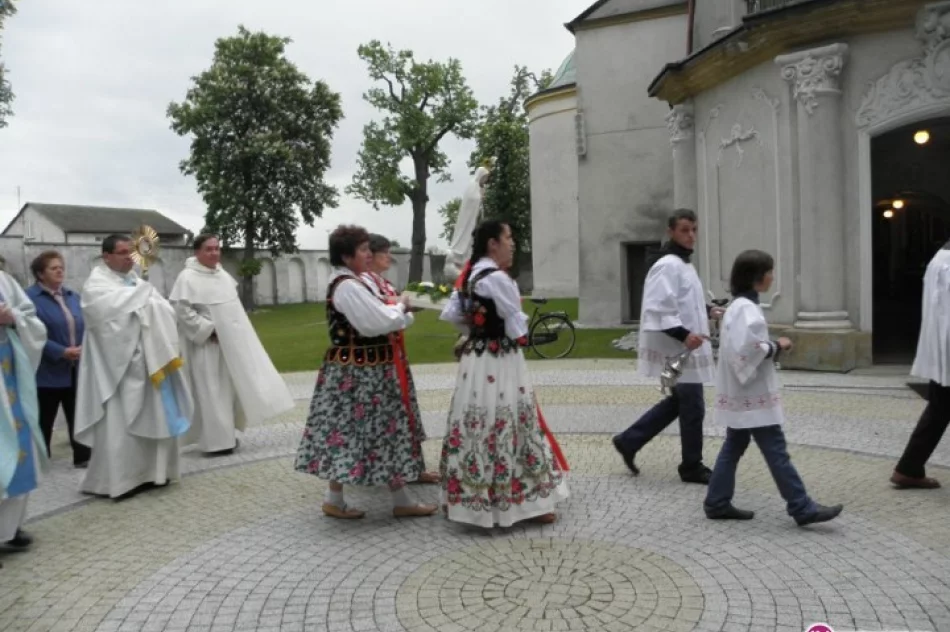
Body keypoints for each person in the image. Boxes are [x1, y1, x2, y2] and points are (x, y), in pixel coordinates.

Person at [295, 225, 436, 520]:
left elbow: (382, 310)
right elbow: (375, 322)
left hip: (366, 370)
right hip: (358, 373)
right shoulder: (347, 285)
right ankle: (348, 499)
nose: (368, 254)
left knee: (377, 431)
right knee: (353, 432)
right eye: (362, 250)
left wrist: (399, 308)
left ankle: (393, 498)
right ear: (347, 256)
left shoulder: (358, 281)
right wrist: (406, 311)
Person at [439, 219, 569, 528]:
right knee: (511, 420)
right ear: (492, 243)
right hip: (501, 359)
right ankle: (525, 502)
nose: (512, 243)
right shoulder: (497, 278)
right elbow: (517, 326)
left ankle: (472, 498)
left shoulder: (470, 275)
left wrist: (475, 330)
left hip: (476, 361)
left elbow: (453, 315)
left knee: (477, 420)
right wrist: (515, 331)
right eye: (508, 237)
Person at [704, 249, 843, 526]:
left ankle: (716, 501)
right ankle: (801, 507)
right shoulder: (747, 309)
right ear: (758, 277)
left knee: (735, 443)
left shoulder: (737, 306)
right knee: (775, 448)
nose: (772, 277)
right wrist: (777, 345)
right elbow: (747, 350)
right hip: (753, 393)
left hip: (742, 391)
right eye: (770, 272)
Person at [74, 234, 194, 499]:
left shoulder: (136, 282)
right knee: (120, 425)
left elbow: (165, 310)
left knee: (156, 418)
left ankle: (154, 473)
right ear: (106, 257)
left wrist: (144, 305)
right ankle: (119, 481)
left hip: (149, 363)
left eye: (131, 252)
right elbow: (103, 319)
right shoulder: (97, 284)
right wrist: (141, 304)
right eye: (122, 253)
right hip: (118, 369)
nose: (130, 257)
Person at [612, 209, 718, 484]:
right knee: (692, 405)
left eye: (694, 229)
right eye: (685, 230)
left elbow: (684, 301)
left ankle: (629, 440)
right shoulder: (667, 264)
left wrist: (708, 310)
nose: (691, 235)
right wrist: (684, 335)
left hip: (683, 346)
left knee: (680, 403)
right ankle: (691, 466)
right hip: (677, 346)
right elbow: (657, 308)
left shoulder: (683, 264)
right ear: (671, 231)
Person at [169, 234, 294, 455]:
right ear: (197, 252)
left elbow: (233, 310)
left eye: (217, 248)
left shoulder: (222, 274)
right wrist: (209, 329)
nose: (214, 253)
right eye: (209, 249)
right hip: (207, 347)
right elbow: (182, 310)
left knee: (228, 391)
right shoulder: (187, 278)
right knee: (211, 392)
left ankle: (227, 435)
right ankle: (215, 442)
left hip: (231, 346)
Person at [362, 233, 440, 484]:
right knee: (394, 415)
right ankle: (396, 471)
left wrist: (410, 306)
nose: (390, 257)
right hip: (381, 357)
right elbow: (384, 313)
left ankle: (414, 468)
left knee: (407, 411)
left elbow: (400, 314)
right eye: (385, 252)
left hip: (396, 353)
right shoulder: (365, 283)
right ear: (370, 256)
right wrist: (403, 306)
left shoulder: (382, 283)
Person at [891, 239, 950, 489]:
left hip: (944, 347)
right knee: (939, 408)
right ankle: (908, 468)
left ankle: (909, 467)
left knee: (939, 408)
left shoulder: (941, 258)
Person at [0, 269, 48, 562]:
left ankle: (8, 527)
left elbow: (30, 316)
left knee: (19, 450)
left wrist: (13, 318)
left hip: (10, 376)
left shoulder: (3, 279)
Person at [26, 251, 90, 468]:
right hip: (46, 370)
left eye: (61, 267)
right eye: (54, 268)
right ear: (40, 274)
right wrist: (60, 351)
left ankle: (83, 455)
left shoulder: (73, 296)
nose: (60, 271)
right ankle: (40, 460)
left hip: (75, 367)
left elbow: (85, 324)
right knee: (44, 417)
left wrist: (83, 346)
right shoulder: (29, 299)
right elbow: (30, 334)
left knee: (77, 414)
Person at [443, 164, 491, 285]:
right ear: (479, 176)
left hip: (472, 222)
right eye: (484, 177)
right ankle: (458, 258)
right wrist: (480, 196)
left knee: (471, 241)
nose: (485, 181)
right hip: (466, 221)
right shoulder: (472, 185)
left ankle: (466, 263)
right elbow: (472, 200)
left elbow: (478, 205)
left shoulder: (478, 188)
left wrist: (481, 196)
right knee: (464, 237)